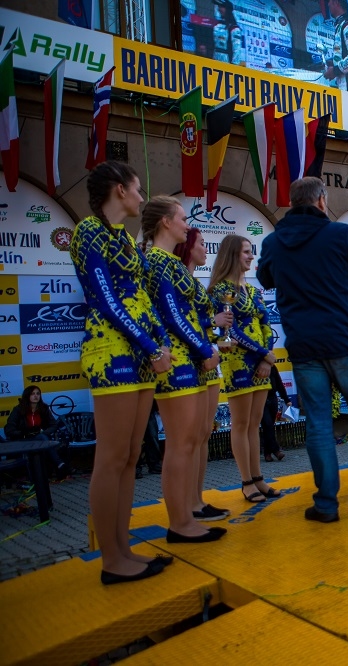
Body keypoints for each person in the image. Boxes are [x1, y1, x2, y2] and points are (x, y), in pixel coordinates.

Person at [257, 176, 348, 523]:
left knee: (319, 424)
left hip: (304, 345)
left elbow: (266, 279)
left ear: (294, 203)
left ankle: (326, 504)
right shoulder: (339, 234)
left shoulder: (274, 242)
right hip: (342, 340)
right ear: (322, 200)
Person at [70, 160, 174, 585]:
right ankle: (111, 558)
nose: (141, 198)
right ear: (118, 190)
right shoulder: (88, 232)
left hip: (141, 354)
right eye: (137, 189)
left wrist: (157, 341)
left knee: (132, 456)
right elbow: (106, 300)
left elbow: (140, 299)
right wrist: (151, 345)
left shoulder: (126, 240)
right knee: (111, 458)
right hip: (111, 351)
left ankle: (124, 548)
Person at [141, 196, 227, 543]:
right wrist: (206, 347)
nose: (187, 225)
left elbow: (186, 314)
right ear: (165, 222)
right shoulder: (159, 262)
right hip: (176, 358)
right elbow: (173, 316)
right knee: (180, 443)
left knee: (190, 440)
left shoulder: (167, 263)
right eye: (182, 218)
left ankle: (188, 512)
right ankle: (179, 522)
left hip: (187, 357)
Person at [209, 235, 280, 504]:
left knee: (255, 423)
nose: (251, 257)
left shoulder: (253, 290)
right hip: (237, 360)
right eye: (246, 253)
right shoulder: (219, 290)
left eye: (252, 252)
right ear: (231, 255)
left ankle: (259, 478)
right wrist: (264, 354)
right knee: (240, 424)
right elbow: (230, 331)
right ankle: (246, 481)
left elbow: (266, 324)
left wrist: (266, 359)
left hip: (261, 362)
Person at [175, 226, 233, 521]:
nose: (205, 248)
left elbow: (197, 321)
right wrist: (213, 319)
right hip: (191, 361)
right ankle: (186, 506)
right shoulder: (175, 273)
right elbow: (177, 317)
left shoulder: (193, 279)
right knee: (190, 437)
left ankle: (197, 500)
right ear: (187, 247)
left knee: (203, 434)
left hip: (208, 358)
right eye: (201, 243)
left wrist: (215, 335)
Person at [3, 386, 71, 479]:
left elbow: (54, 425)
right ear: (27, 396)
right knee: (42, 438)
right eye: (33, 394)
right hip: (22, 440)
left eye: (38, 394)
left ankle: (57, 467)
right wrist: (24, 433)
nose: (36, 396)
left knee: (42, 437)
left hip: (39, 438)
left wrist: (43, 432)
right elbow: (9, 430)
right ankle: (60, 464)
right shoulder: (18, 410)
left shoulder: (44, 408)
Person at [321, 0, 348, 93]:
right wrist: (333, 63)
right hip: (344, 89)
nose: (328, 4)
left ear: (336, 2)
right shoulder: (341, 26)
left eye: (330, 1)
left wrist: (335, 71)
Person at [261, 364, 290, 463]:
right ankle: (276, 450)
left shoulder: (272, 367)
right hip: (261, 400)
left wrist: (286, 399)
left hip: (273, 399)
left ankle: (267, 453)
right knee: (267, 424)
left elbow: (279, 383)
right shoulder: (254, 365)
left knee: (269, 426)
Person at [212, 0, 245, 66]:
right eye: (219, 6)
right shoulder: (217, 25)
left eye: (222, 7)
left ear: (228, 9)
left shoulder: (234, 28)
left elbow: (237, 49)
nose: (219, 9)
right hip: (215, 58)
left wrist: (234, 66)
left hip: (226, 61)